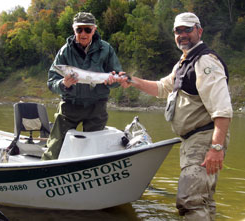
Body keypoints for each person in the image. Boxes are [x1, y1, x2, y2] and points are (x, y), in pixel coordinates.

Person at [114, 12, 233, 220]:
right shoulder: (183, 63)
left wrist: (216, 147)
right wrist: (132, 80)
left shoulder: (205, 62)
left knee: (190, 200)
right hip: (191, 141)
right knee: (202, 200)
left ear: (199, 31)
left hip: (204, 139)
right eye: (178, 30)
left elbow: (222, 109)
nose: (183, 34)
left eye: (188, 29)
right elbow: (162, 88)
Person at [42, 12, 122, 160]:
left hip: (97, 108)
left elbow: (117, 77)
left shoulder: (106, 49)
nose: (83, 33)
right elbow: (51, 82)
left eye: (87, 29)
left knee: (94, 152)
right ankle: (43, 173)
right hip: (69, 107)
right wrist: (63, 84)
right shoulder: (64, 51)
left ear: (94, 30)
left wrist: (114, 81)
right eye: (79, 29)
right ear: (74, 30)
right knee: (54, 147)